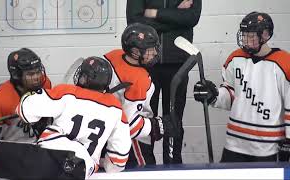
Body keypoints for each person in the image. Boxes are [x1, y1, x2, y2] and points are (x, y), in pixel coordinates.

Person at [0, 56, 132, 179]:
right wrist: (101, 161)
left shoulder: (66, 92)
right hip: (80, 170)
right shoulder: (117, 110)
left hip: (48, 158)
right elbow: (117, 164)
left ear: (82, 77)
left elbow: (25, 110)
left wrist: (41, 118)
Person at [193, 12, 290, 162]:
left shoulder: (284, 63)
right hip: (234, 144)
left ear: (265, 35)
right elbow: (231, 96)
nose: (245, 40)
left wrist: (289, 140)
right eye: (244, 35)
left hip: (267, 147)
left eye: (251, 35)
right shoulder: (235, 58)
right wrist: (214, 95)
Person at [126, 0, 202, 164]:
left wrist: (154, 13)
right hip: (146, 64)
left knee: (174, 119)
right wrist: (176, 20)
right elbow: (134, 22)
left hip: (178, 64)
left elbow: (191, 18)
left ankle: (173, 164)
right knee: (144, 118)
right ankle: (145, 164)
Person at [104, 23, 174, 168]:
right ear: (135, 52)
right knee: (145, 168)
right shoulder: (139, 80)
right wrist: (157, 126)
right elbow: (129, 125)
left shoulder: (113, 55)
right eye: (150, 50)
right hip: (130, 140)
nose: (155, 53)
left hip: (106, 131)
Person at [0, 48, 52, 144]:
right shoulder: (2, 101)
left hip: (34, 143)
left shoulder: (45, 84)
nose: (37, 77)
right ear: (17, 75)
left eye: (38, 71)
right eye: (30, 74)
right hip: (10, 145)